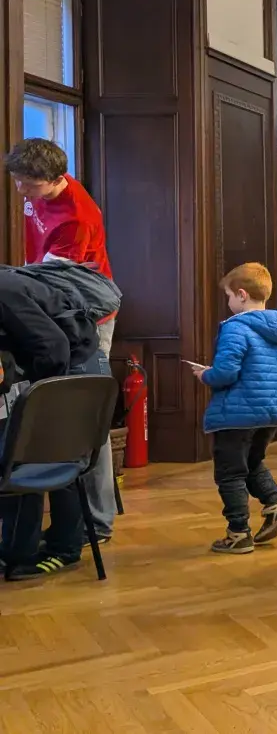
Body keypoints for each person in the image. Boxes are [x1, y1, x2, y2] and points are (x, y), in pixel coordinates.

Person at [8, 137, 118, 544]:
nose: (21, 191)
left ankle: (98, 522)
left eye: (27, 185)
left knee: (85, 414)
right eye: (17, 181)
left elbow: (50, 284)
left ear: (54, 180)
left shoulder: (78, 217)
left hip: (86, 315)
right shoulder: (38, 185)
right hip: (48, 303)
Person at [0, 262, 113, 580]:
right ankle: (25, 548)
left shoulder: (3, 290)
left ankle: (64, 549)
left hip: (74, 370)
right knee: (46, 456)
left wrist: (35, 394)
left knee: (52, 457)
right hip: (78, 366)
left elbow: (54, 348)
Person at [194, 264, 277, 554]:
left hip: (236, 413)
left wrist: (205, 375)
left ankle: (238, 533)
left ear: (241, 295)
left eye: (228, 296)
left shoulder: (236, 327)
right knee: (251, 463)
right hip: (270, 413)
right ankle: (275, 506)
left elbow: (226, 373)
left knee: (229, 473)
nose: (228, 303)